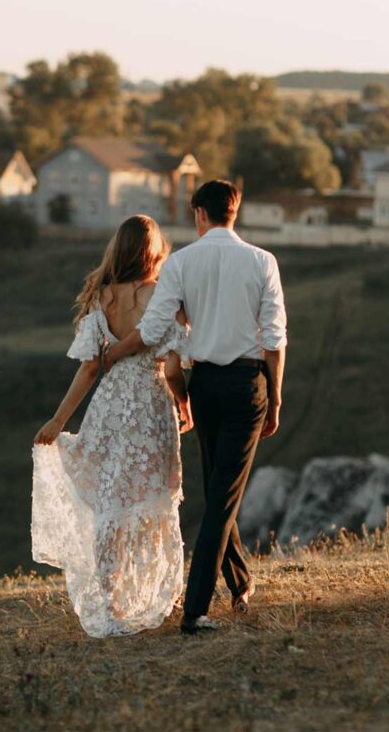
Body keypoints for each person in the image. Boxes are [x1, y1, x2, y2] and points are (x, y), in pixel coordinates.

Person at [104, 180, 287, 635]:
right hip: (248, 385)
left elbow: (152, 329)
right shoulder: (264, 262)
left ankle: (239, 584)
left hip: (204, 385)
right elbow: (275, 341)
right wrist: (277, 399)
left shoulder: (181, 263)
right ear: (235, 210)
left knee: (217, 489)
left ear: (197, 213)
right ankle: (197, 609)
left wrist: (111, 354)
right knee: (222, 495)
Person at [31, 214, 192, 638]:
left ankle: (109, 597)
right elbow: (173, 366)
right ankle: (154, 591)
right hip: (151, 407)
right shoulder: (160, 295)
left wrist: (58, 420)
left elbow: (88, 370)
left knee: (111, 503)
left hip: (109, 408)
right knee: (153, 500)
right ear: (153, 251)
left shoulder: (100, 300)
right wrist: (183, 401)